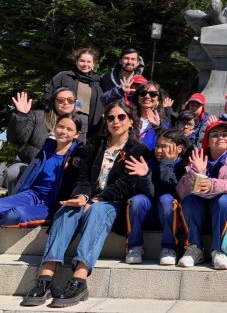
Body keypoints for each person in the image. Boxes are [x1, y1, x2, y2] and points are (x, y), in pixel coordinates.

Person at [20, 101, 150, 308]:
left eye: (121, 117)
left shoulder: (139, 150)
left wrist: (96, 200)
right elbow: (82, 178)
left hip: (113, 203)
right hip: (88, 198)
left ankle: (79, 280)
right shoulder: (94, 145)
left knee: (97, 211)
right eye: (111, 118)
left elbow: (125, 184)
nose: (115, 121)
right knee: (67, 209)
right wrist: (82, 196)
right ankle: (45, 278)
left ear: (131, 121)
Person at [176, 121, 227, 270]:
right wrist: (196, 173)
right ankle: (195, 248)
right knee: (189, 201)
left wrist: (211, 184)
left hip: (222, 212)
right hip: (199, 212)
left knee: (223, 200)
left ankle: (218, 250)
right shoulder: (198, 158)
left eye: (225, 134)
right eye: (215, 135)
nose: (220, 137)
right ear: (207, 142)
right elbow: (181, 192)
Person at [0, 114, 82, 226]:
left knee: (13, 215)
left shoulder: (78, 156)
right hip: (32, 195)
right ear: (55, 128)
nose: (63, 131)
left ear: (77, 134)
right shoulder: (46, 149)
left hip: (51, 204)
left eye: (69, 129)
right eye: (60, 126)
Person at [125, 129, 191, 265]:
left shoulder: (185, 166)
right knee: (137, 200)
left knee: (166, 199)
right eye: (157, 146)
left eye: (164, 146)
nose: (159, 150)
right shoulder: (148, 163)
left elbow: (173, 190)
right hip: (151, 212)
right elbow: (150, 193)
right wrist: (145, 176)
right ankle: (134, 247)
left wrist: (167, 163)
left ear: (179, 149)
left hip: (171, 215)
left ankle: (169, 248)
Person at [5, 89, 88, 194]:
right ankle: (15, 199)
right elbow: (15, 139)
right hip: (31, 164)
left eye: (70, 100)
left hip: (61, 169)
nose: (66, 102)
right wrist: (21, 115)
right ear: (54, 101)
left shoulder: (82, 122)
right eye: (61, 100)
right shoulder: (37, 116)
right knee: (13, 172)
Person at [43, 47, 104, 138]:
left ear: (93, 64)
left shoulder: (98, 82)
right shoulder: (64, 76)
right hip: (62, 119)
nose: (85, 64)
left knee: (79, 147)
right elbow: (46, 97)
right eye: (82, 61)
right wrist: (61, 105)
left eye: (89, 62)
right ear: (76, 62)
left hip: (86, 124)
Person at [132, 82, 169, 151]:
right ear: (137, 97)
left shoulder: (165, 124)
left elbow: (165, 146)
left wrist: (158, 127)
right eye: (143, 93)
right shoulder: (127, 118)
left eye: (153, 94)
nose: (147, 96)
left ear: (158, 100)